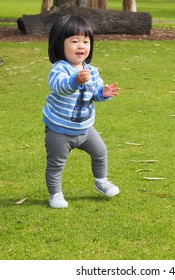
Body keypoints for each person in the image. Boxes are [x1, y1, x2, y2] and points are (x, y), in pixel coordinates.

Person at [43, 15, 120, 208]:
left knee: (101, 152)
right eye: (74, 41)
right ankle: (55, 195)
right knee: (56, 165)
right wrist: (75, 81)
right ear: (59, 44)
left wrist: (103, 93)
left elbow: (94, 94)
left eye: (86, 41)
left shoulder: (92, 71)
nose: (81, 46)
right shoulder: (59, 69)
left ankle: (101, 182)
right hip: (59, 130)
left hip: (85, 129)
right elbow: (59, 87)